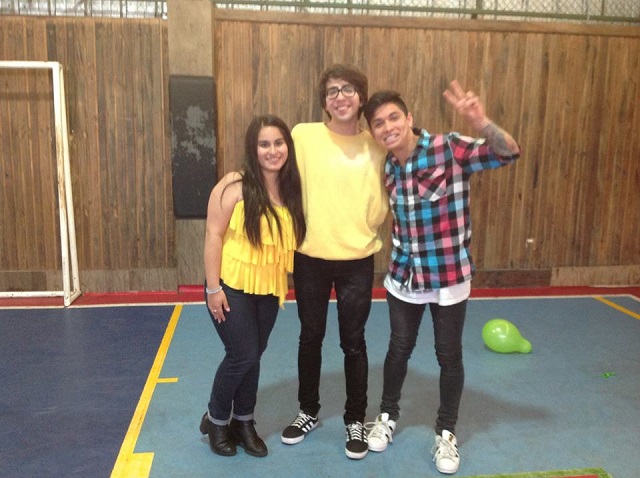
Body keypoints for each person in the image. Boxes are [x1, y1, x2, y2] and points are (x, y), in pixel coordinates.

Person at [362, 83, 521, 474]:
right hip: (404, 275)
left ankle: (446, 433)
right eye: (379, 123)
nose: (388, 127)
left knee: (449, 356)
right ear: (373, 131)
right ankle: (386, 416)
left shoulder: (448, 148)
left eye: (394, 117)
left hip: (449, 275)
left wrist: (480, 121)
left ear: (409, 118)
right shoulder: (387, 166)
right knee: (398, 349)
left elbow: (507, 152)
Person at [280, 64, 388, 460]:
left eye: (347, 89)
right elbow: (272, 171)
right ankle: (307, 411)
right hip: (310, 257)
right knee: (310, 337)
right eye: (332, 91)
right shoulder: (303, 136)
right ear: (324, 102)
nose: (340, 97)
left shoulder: (377, 144)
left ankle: (355, 419)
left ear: (361, 97)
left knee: (353, 342)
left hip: (357, 259)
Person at [199, 114, 306, 458]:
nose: (272, 150)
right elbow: (213, 234)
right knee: (241, 354)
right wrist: (213, 288)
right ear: (252, 148)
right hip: (230, 285)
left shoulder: (291, 188)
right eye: (264, 144)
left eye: (278, 143)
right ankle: (217, 420)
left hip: (268, 287)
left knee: (254, 355)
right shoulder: (235, 184)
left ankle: (244, 422)